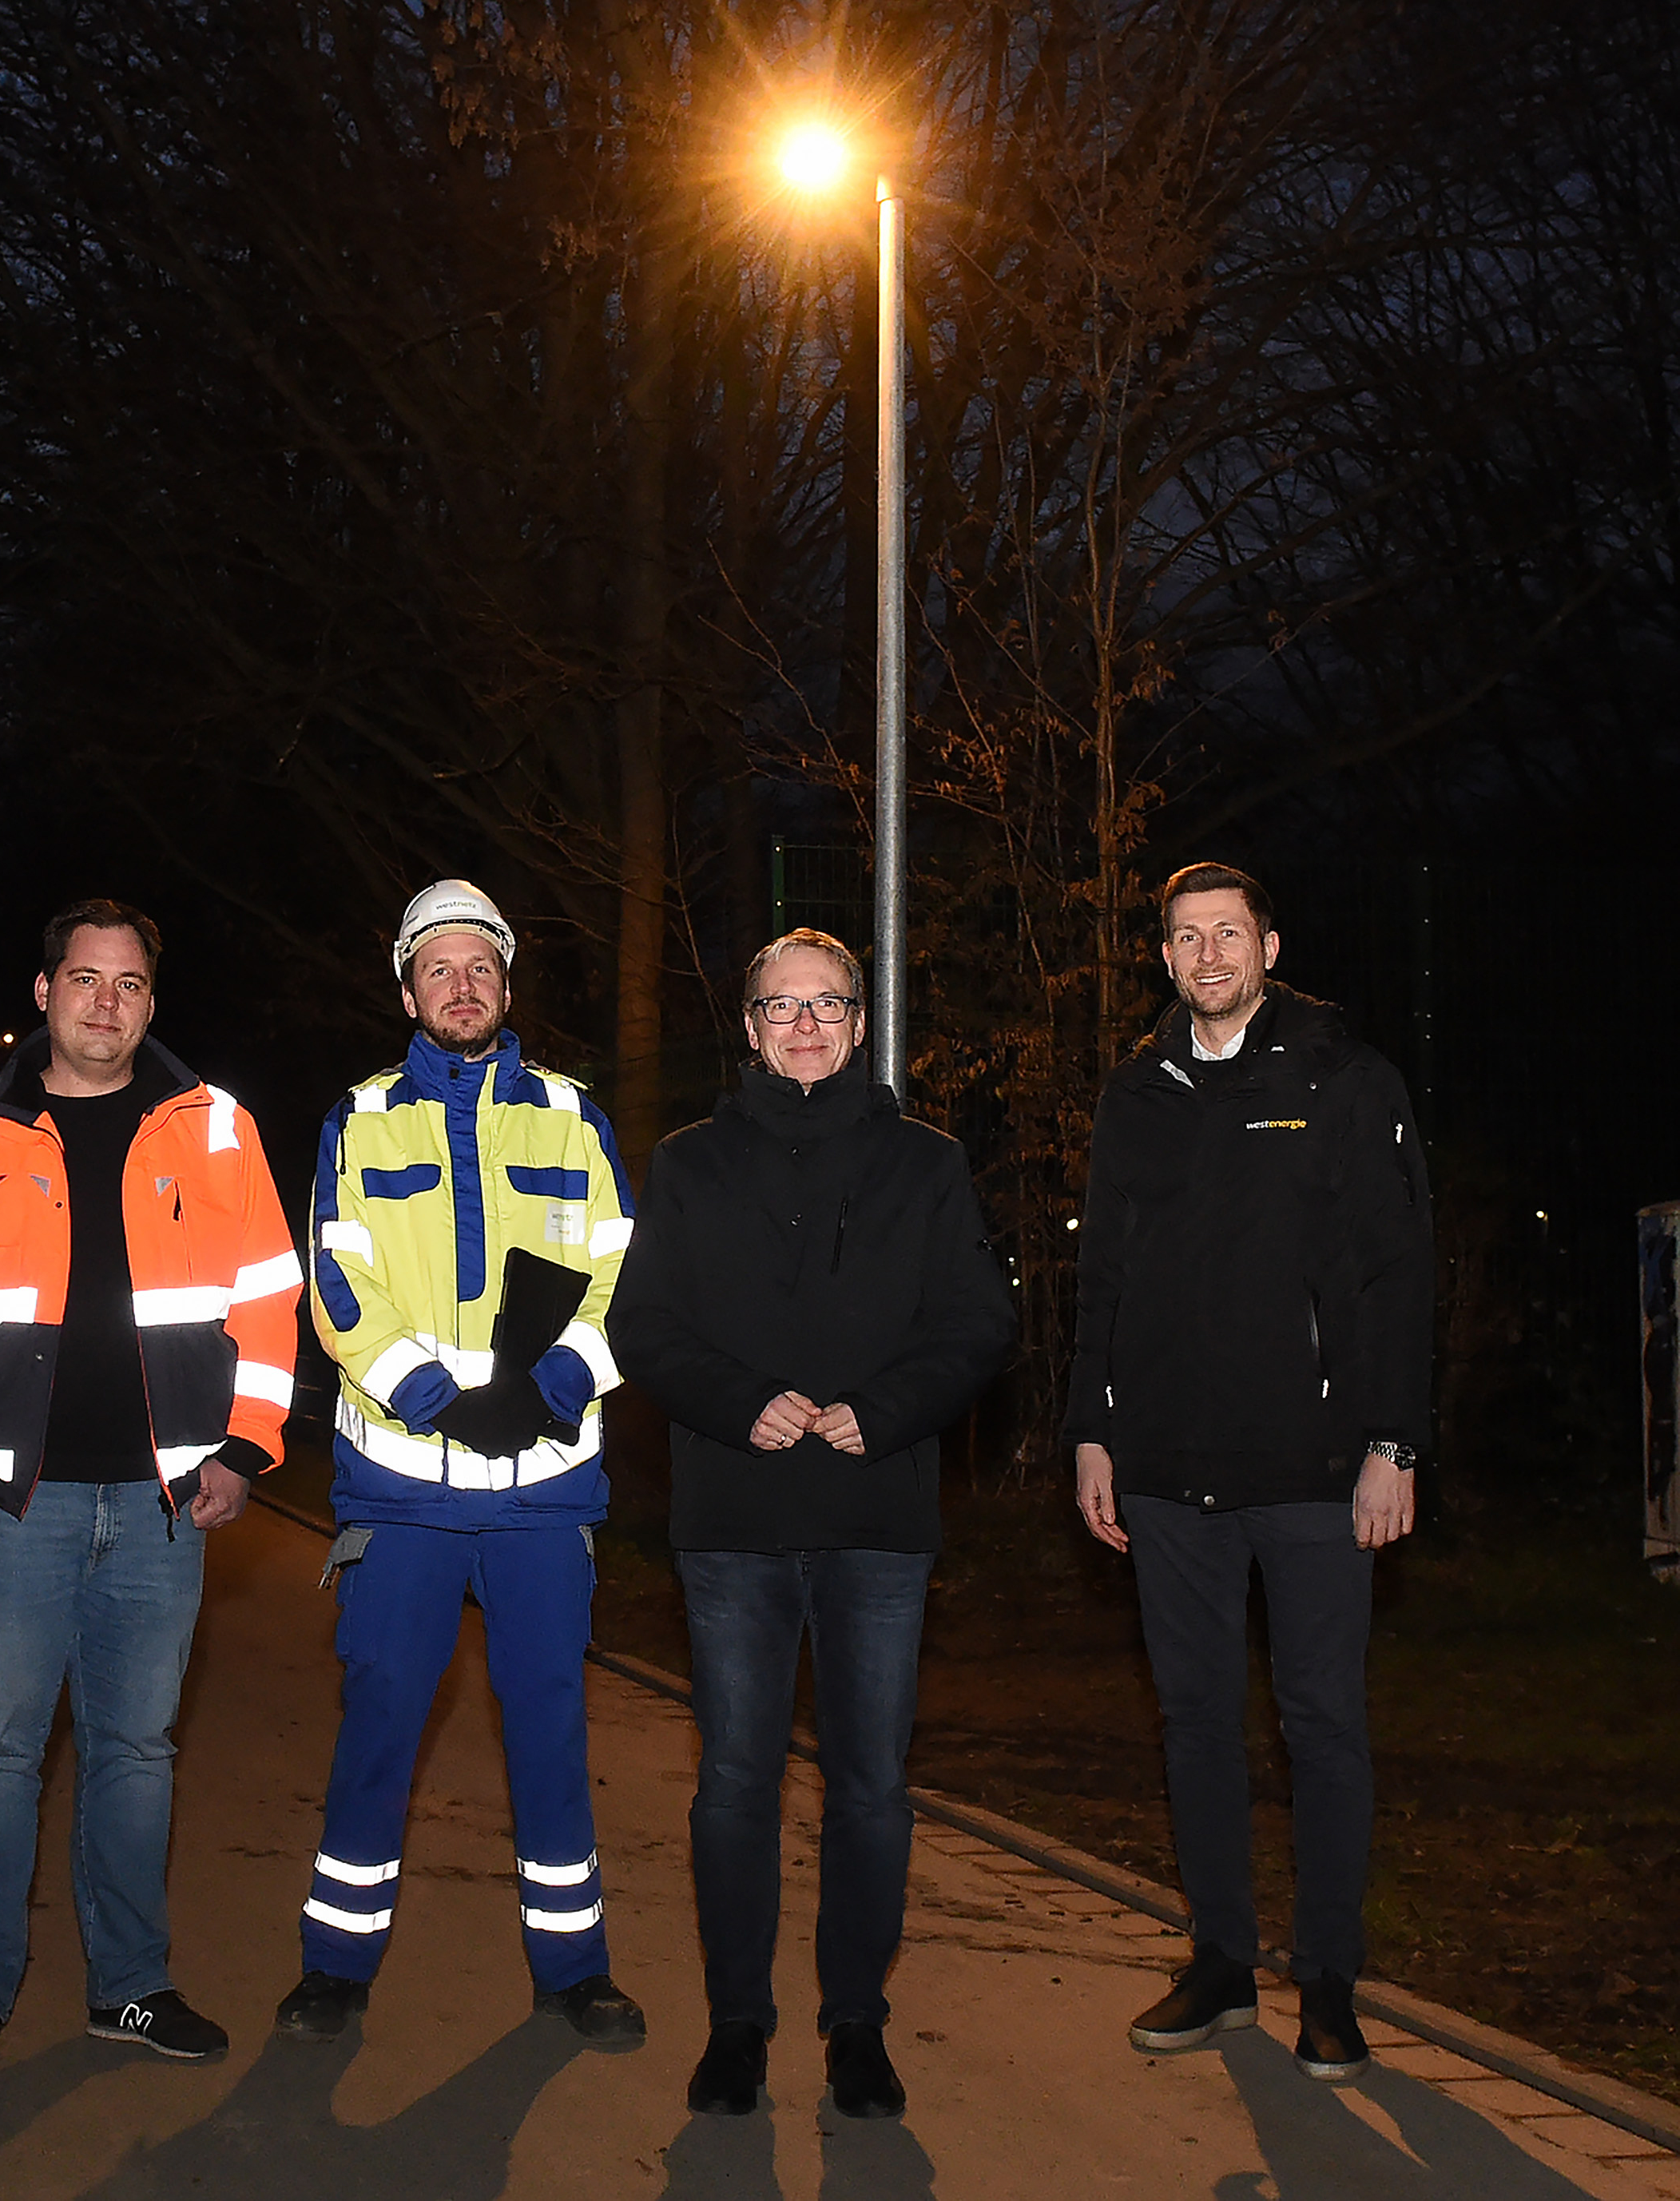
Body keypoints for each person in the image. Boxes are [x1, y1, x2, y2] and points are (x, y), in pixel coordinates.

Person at [0, 899, 303, 2077]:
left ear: (153, 1001)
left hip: (164, 1500)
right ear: (44, 990)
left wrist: (246, 1447)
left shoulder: (216, 1129)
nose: (108, 1003)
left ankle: (133, 1988)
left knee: (137, 1751)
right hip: (7, 1500)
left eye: (132, 984)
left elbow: (267, 1297)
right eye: (87, 980)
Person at [606, 929, 1015, 2121]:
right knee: (735, 1778)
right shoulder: (686, 1165)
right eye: (780, 1007)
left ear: (860, 1022)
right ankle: (738, 2025)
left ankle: (856, 2026)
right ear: (746, 1027)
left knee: (871, 1789)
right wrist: (745, 1405)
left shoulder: (926, 1164)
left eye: (827, 1005)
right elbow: (646, 1328)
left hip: (876, 1522)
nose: (804, 1026)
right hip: (732, 1521)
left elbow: (978, 1325)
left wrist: (878, 1414)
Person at [1065, 863, 1433, 2083]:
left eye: (1230, 932)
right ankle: (1221, 1961)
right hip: (1168, 1474)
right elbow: (1102, 1281)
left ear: (1269, 944)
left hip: (1320, 1472)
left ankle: (1328, 1982)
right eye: (1186, 937)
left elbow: (1397, 1276)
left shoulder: (1344, 1078)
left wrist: (1394, 1442)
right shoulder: (1137, 1091)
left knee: (1323, 1726)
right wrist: (1092, 1431)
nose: (1209, 954)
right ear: (1164, 960)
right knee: (1196, 1726)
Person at [273, 880, 646, 2047]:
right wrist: (434, 1400)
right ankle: (335, 1966)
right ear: (406, 990)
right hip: (404, 1496)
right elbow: (336, 1286)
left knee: (548, 1725)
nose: (462, 982)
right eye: (438, 966)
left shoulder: (574, 1117)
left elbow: (622, 1271)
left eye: (480, 963)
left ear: (507, 985)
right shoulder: (361, 1117)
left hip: (543, 1495)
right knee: (381, 1721)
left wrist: (558, 1385)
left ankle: (574, 1969)